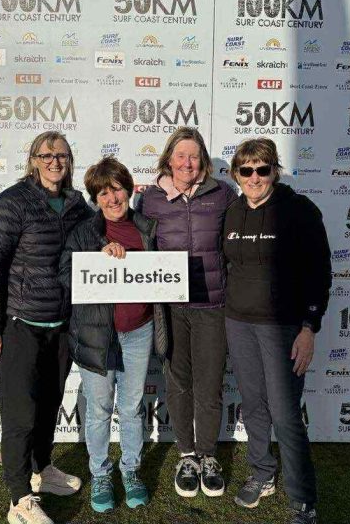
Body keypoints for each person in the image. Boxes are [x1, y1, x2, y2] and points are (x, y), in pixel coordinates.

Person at [0, 132, 91, 524]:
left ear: (69, 160)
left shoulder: (77, 205)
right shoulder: (11, 202)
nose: (54, 162)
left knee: (48, 406)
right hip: (19, 324)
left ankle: (43, 468)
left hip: (61, 326)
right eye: (46, 155)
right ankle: (19, 498)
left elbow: (90, 247)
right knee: (21, 415)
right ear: (34, 160)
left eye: (61, 155)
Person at [223, 138, 331, 524]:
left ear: (274, 171)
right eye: (246, 170)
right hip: (238, 323)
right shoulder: (232, 212)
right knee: (253, 404)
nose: (254, 177)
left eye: (262, 169)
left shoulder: (299, 210)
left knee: (285, 414)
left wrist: (309, 328)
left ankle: (303, 501)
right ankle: (262, 472)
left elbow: (319, 273)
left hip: (283, 327)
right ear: (236, 174)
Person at [59, 157, 167, 514]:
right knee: (100, 408)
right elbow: (65, 275)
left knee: (132, 407)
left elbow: (164, 274)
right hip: (96, 334)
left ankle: (131, 470)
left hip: (139, 331)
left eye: (117, 189)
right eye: (103, 193)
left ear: (128, 189)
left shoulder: (148, 228)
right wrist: (97, 256)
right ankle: (101, 473)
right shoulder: (84, 233)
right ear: (95, 198)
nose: (112, 198)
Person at [137, 127, 237, 499]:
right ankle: (186, 456)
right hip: (171, 306)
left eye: (194, 156)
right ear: (169, 159)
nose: (187, 163)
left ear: (203, 161)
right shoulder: (150, 199)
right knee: (178, 381)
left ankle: (208, 455)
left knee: (209, 384)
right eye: (180, 155)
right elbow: (137, 243)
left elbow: (236, 244)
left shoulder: (222, 194)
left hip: (213, 304)